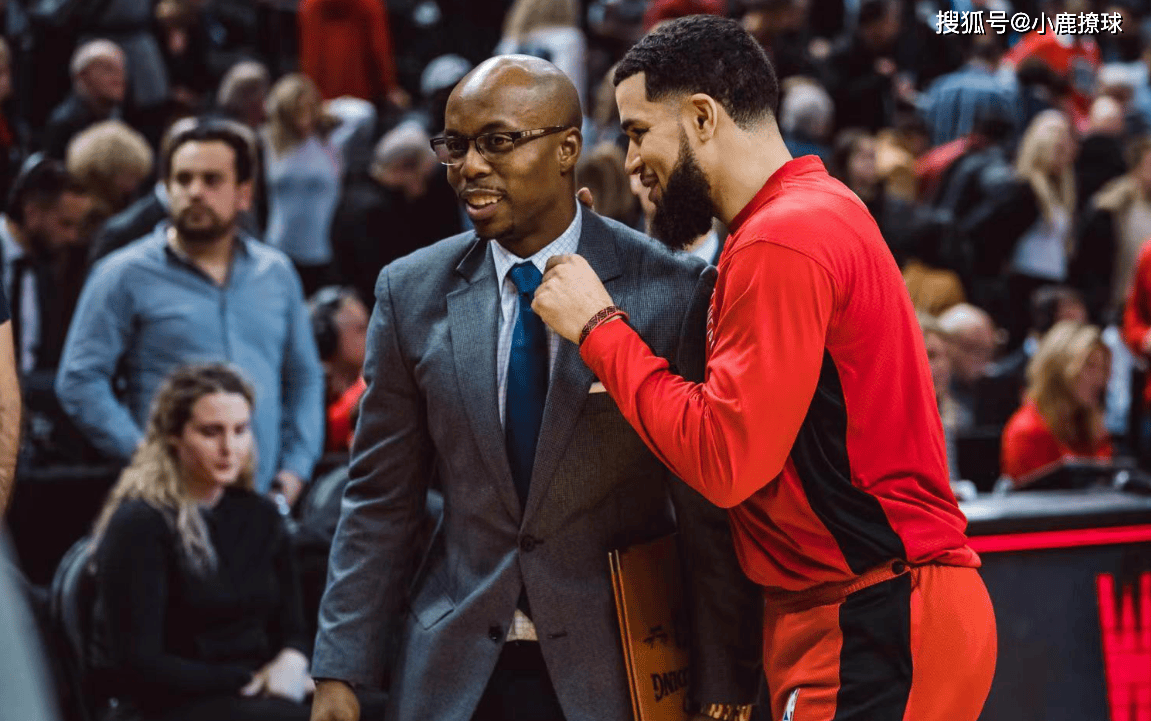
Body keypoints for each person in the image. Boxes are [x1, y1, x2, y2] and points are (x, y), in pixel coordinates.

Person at [533, 16, 996, 721]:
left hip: (871, 612)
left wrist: (599, 329)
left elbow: (727, 458)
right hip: (869, 608)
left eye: (635, 132)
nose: (629, 161)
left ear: (700, 116)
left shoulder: (783, 237)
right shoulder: (802, 215)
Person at [309, 55, 762, 721]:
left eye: (496, 142)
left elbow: (705, 514)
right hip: (453, 667)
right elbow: (380, 498)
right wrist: (339, 667)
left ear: (566, 149)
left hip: (618, 668)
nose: (469, 166)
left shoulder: (672, 291)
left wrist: (725, 690)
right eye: (454, 146)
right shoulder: (407, 290)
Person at [88, 363, 385, 721]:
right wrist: (250, 680)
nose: (229, 447)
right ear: (174, 437)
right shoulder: (139, 523)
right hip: (173, 702)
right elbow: (139, 664)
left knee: (387, 710)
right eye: (211, 432)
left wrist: (293, 660)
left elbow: (293, 628)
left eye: (240, 430)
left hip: (259, 691)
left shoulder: (261, 515)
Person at [56, 118, 324, 505]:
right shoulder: (122, 275)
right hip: (165, 502)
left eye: (212, 180)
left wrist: (293, 474)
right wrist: (148, 458)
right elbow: (80, 379)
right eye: (183, 180)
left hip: (262, 499)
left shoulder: (276, 272)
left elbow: (305, 378)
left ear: (243, 194)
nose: (195, 192)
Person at [1000, 321, 1112, 485]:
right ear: (1058, 369)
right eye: (1090, 366)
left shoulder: (1093, 426)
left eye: (1103, 369)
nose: (1101, 380)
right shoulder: (1027, 430)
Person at [261, 74, 342, 296]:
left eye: (309, 107)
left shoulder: (331, 140)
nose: (304, 115)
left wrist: (325, 111)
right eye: (296, 108)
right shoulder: (268, 141)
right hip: (278, 247)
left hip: (320, 251)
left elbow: (363, 113)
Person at [42, 40, 127, 160]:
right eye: (108, 69)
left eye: (121, 69)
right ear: (83, 76)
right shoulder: (64, 123)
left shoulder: (116, 114)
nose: (119, 78)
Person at [308, 286, 368, 453]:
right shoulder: (307, 394)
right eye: (361, 329)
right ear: (327, 337)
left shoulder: (373, 388)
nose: (371, 335)